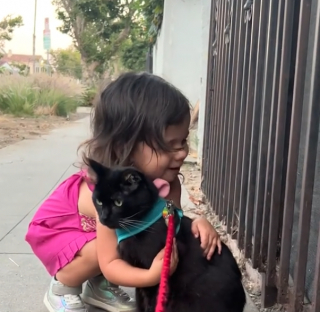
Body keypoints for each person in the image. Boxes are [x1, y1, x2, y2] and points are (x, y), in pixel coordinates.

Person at [25, 72, 222, 312]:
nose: (182, 153)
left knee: (132, 236)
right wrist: (150, 276)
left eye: (183, 141)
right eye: (169, 146)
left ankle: (97, 287)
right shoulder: (103, 195)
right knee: (108, 246)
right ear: (126, 146)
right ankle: (63, 286)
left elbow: (171, 218)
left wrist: (197, 223)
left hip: (104, 227)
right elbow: (109, 262)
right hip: (61, 231)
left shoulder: (167, 182)